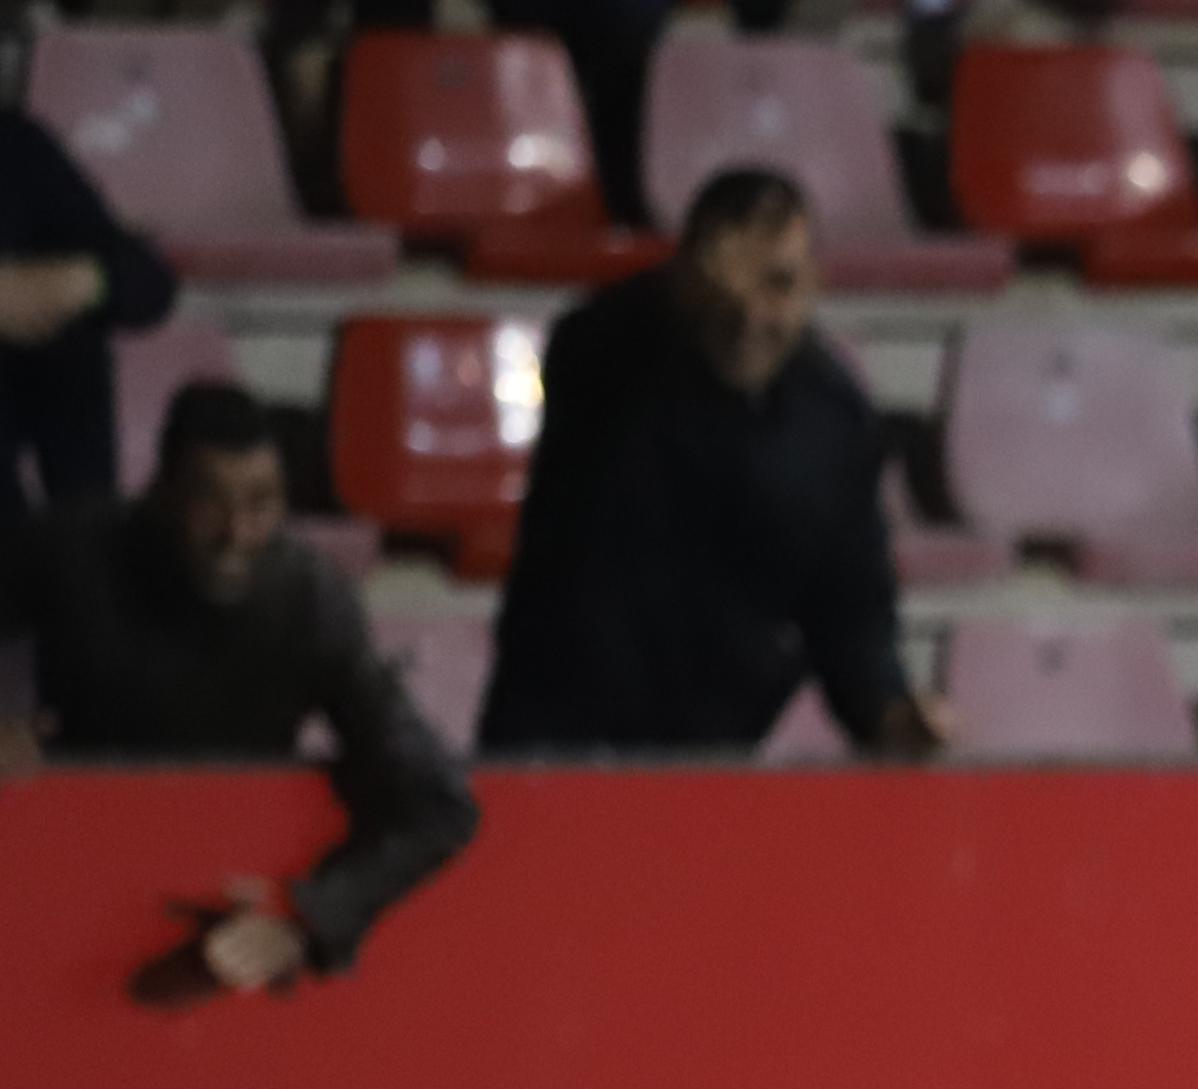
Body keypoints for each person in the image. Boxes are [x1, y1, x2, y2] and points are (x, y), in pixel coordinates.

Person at [0, 381, 477, 999]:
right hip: (58, 886)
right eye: (211, 503)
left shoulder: (309, 599)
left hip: (232, 895)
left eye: (262, 503)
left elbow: (439, 802)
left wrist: (313, 919)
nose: (236, 533)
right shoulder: (69, 549)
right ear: (162, 491)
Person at [478, 169, 942, 759]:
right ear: (684, 279)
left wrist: (889, 712)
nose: (749, 317)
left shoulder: (834, 417)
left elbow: (850, 603)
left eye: (777, 285)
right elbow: (588, 349)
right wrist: (684, 295)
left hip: (709, 756)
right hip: (557, 740)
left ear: (815, 287)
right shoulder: (608, 363)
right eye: (728, 288)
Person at [0, 103, 181, 518]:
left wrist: (79, 282)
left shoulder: (14, 146)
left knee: (74, 322)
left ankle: (88, 542)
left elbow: (147, 281)